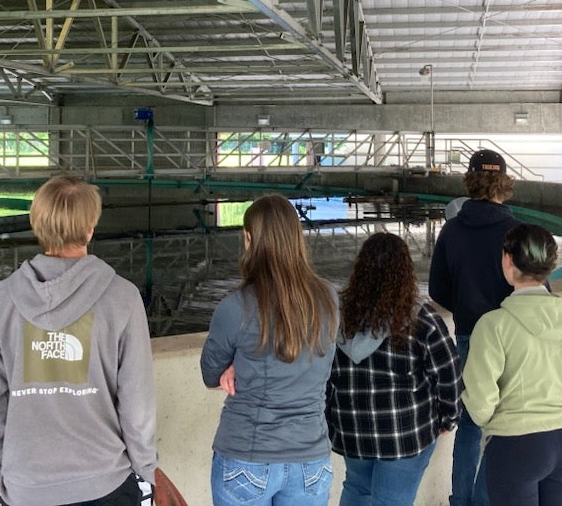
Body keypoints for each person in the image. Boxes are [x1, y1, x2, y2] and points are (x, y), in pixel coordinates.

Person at [0, 175, 157, 506]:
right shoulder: (122, 297)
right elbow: (138, 403)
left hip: (24, 487)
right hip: (106, 483)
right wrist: (145, 472)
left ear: (36, 225)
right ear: (90, 228)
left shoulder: (2, 299)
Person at [200, 194, 339, 506]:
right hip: (311, 461)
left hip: (247, 456)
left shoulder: (235, 307)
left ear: (249, 239)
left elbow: (210, 374)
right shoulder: (329, 299)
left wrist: (239, 363)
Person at [461, 223, 562, 506]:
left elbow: (479, 399)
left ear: (507, 260)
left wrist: (501, 418)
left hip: (514, 445)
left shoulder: (493, 325)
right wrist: (553, 402)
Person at [326, 232, 461, 506]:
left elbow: (325, 376)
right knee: (393, 500)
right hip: (405, 434)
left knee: (356, 489)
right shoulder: (422, 319)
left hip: (351, 429)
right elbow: (449, 377)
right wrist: (448, 418)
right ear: (406, 273)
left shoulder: (336, 316)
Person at [429, 148, 520, 506]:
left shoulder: (451, 230)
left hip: (468, 335)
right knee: (504, 423)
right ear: (505, 182)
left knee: (469, 424)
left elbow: (437, 289)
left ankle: (461, 499)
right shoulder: (515, 231)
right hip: (510, 337)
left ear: (469, 181)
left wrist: (467, 307)